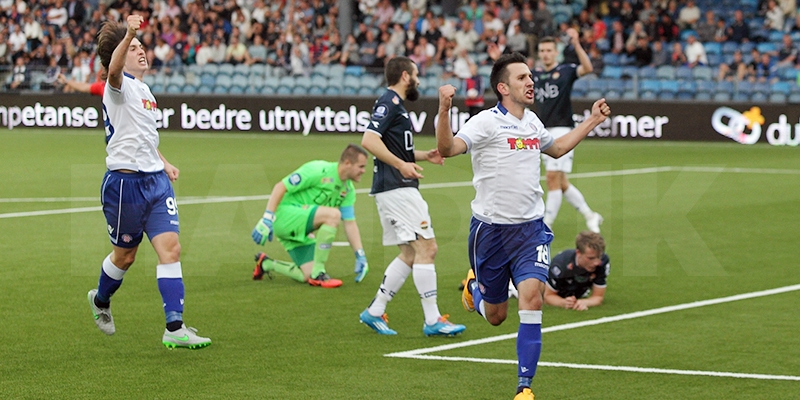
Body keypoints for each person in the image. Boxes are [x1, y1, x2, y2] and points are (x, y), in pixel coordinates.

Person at [435, 52, 611, 400]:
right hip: (491, 233)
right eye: (522, 78)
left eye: (530, 77)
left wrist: (591, 121)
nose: (531, 82)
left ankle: (524, 387)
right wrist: (443, 110)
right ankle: (477, 292)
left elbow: (557, 148)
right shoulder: (485, 122)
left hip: (531, 231)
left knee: (532, 300)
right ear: (503, 87)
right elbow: (448, 147)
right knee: (497, 316)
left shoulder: (532, 122)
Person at [87, 15, 211, 349]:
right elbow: (112, 72)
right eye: (134, 48)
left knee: (171, 249)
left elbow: (145, 138)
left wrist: (164, 162)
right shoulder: (119, 86)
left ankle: (175, 328)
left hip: (155, 183)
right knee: (125, 257)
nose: (142, 51)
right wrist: (128, 33)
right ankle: (100, 301)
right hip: (125, 185)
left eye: (143, 46)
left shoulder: (144, 90)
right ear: (120, 53)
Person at [358, 56, 466, 337]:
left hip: (394, 186)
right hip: (397, 187)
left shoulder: (397, 106)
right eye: (416, 74)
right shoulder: (389, 102)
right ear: (405, 76)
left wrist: (421, 157)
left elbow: (396, 148)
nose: (419, 79)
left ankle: (374, 311)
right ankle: (432, 320)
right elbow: (369, 140)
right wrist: (401, 165)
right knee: (427, 249)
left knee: (409, 253)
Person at [251, 144, 371, 288]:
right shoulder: (319, 170)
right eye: (361, 166)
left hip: (301, 227)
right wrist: (267, 218)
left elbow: (350, 223)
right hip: (285, 217)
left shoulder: (348, 190)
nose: (363, 171)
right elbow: (280, 186)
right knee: (333, 215)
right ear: (347, 163)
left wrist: (360, 255)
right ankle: (319, 274)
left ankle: (266, 264)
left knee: (305, 274)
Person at [533, 31, 604, 234]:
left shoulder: (566, 71)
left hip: (563, 130)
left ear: (556, 53)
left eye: (549, 50)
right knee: (561, 182)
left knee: (552, 179)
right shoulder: (536, 75)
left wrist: (577, 44)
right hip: (543, 131)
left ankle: (546, 225)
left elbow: (588, 68)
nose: (545, 54)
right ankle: (591, 216)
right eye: (542, 51)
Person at [543, 231, 609, 311]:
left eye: (599, 257)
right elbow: (548, 296)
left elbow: (598, 297)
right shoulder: (561, 265)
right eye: (591, 258)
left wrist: (585, 302)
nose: (597, 262)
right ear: (578, 253)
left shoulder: (603, 262)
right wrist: (564, 302)